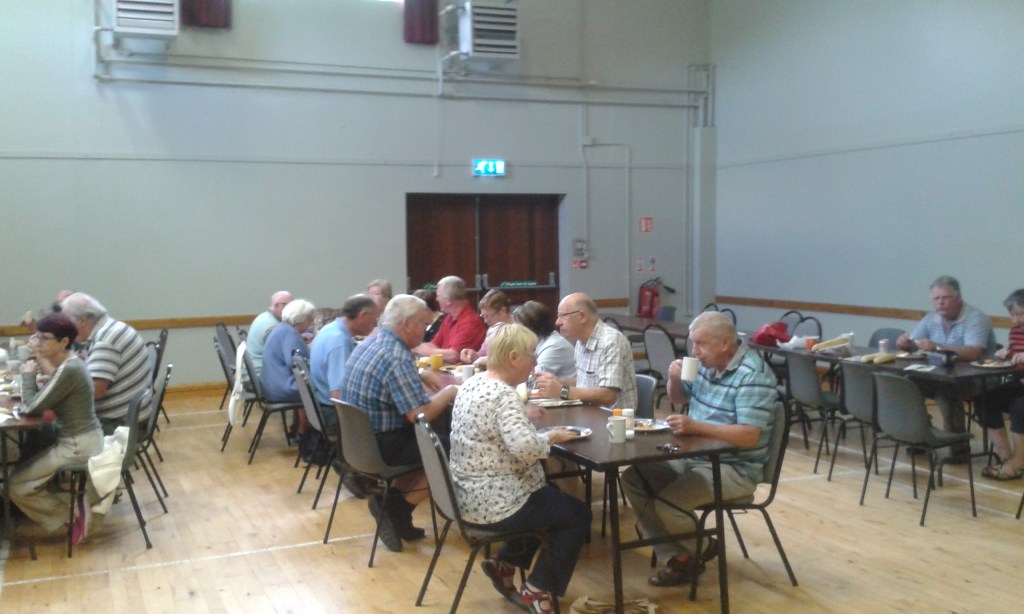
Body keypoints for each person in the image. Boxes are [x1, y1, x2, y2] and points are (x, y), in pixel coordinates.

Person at [621, 311, 777, 587]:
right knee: (634, 478)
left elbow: (749, 436)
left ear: (725, 343)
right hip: (694, 456)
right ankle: (680, 555)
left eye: (700, 344)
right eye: (693, 343)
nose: (694, 351)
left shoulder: (752, 375)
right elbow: (678, 397)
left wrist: (697, 427)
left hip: (735, 467)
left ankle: (701, 547)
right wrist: (674, 379)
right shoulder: (704, 363)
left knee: (668, 505)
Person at [450, 323, 590, 614]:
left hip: (467, 496)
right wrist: (552, 436)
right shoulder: (503, 395)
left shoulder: (473, 383)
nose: (535, 363)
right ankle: (537, 590)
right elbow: (526, 449)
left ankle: (504, 564)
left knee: (548, 495)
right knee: (577, 514)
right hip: (497, 504)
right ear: (514, 358)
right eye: (531, 355)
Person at [341, 294, 459, 552]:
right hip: (382, 445)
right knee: (452, 451)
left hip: (359, 442)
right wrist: (449, 392)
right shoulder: (396, 356)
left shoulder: (371, 342)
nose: (425, 330)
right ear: (406, 324)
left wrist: (419, 372)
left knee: (428, 443)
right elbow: (420, 415)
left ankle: (396, 513)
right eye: (423, 324)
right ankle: (396, 508)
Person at [9, 314, 103, 544]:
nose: (38, 342)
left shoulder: (69, 369)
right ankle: (73, 508)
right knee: (27, 461)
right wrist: (41, 370)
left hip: (78, 445)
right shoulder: (70, 364)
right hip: (81, 438)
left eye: (44, 338)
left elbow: (31, 407)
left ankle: (71, 514)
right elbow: (50, 390)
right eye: (37, 337)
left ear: (64, 342)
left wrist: (28, 376)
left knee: (15, 486)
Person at [897, 275, 996, 459]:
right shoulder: (931, 318)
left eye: (945, 298)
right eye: (936, 299)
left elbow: (974, 352)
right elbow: (916, 342)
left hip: (978, 376)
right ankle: (922, 436)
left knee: (946, 390)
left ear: (958, 298)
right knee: (907, 385)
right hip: (941, 373)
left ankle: (958, 447)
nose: (940, 303)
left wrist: (937, 347)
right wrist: (906, 344)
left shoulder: (976, 318)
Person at [60, 293, 151, 435]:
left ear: (82, 320)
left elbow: (94, 391)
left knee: (49, 428)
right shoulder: (110, 328)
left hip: (119, 426)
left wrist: (57, 391)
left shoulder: (107, 340)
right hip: (128, 418)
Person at [532, 292, 637, 410]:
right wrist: (558, 381)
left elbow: (608, 395)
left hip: (612, 419)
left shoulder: (611, 342)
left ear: (582, 316)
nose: (557, 322)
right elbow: (585, 383)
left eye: (563, 316)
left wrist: (562, 391)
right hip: (589, 413)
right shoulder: (580, 341)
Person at [309, 294, 379, 427]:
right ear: (363, 315)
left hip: (322, 404)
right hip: (333, 414)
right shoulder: (339, 341)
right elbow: (338, 395)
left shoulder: (330, 328)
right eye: (374, 319)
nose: (375, 324)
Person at [975, 289, 1024, 480]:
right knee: (985, 400)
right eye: (1012, 315)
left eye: (1020, 314)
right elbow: (1015, 355)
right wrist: (1005, 355)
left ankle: (1018, 462)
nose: (1015, 320)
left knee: (1020, 406)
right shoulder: (1016, 332)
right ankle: (1006, 457)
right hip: (1019, 381)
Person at [414, 276, 486, 364]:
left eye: (438, 296)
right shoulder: (449, 318)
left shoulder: (471, 321)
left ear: (448, 301)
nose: (436, 299)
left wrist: (421, 350)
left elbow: (453, 356)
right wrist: (414, 347)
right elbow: (434, 344)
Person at [260, 299, 316, 404]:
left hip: (272, 384)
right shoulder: (290, 334)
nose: (311, 323)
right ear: (303, 319)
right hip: (285, 388)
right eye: (310, 319)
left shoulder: (281, 328)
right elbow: (298, 364)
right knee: (323, 384)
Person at [512, 300, 576, 379]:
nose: (516, 333)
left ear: (532, 328)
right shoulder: (539, 342)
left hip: (566, 387)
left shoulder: (555, 346)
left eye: (520, 329)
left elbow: (532, 377)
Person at [460, 289, 515, 364]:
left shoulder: (518, 330)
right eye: (483, 316)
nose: (485, 321)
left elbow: (516, 359)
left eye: (487, 316)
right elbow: (482, 356)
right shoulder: (493, 329)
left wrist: (488, 360)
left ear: (503, 311)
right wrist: (472, 355)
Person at [246, 291, 293, 377]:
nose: (293, 310)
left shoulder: (264, 317)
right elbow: (283, 357)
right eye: (289, 305)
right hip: (260, 374)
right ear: (277, 306)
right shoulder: (272, 327)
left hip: (253, 371)